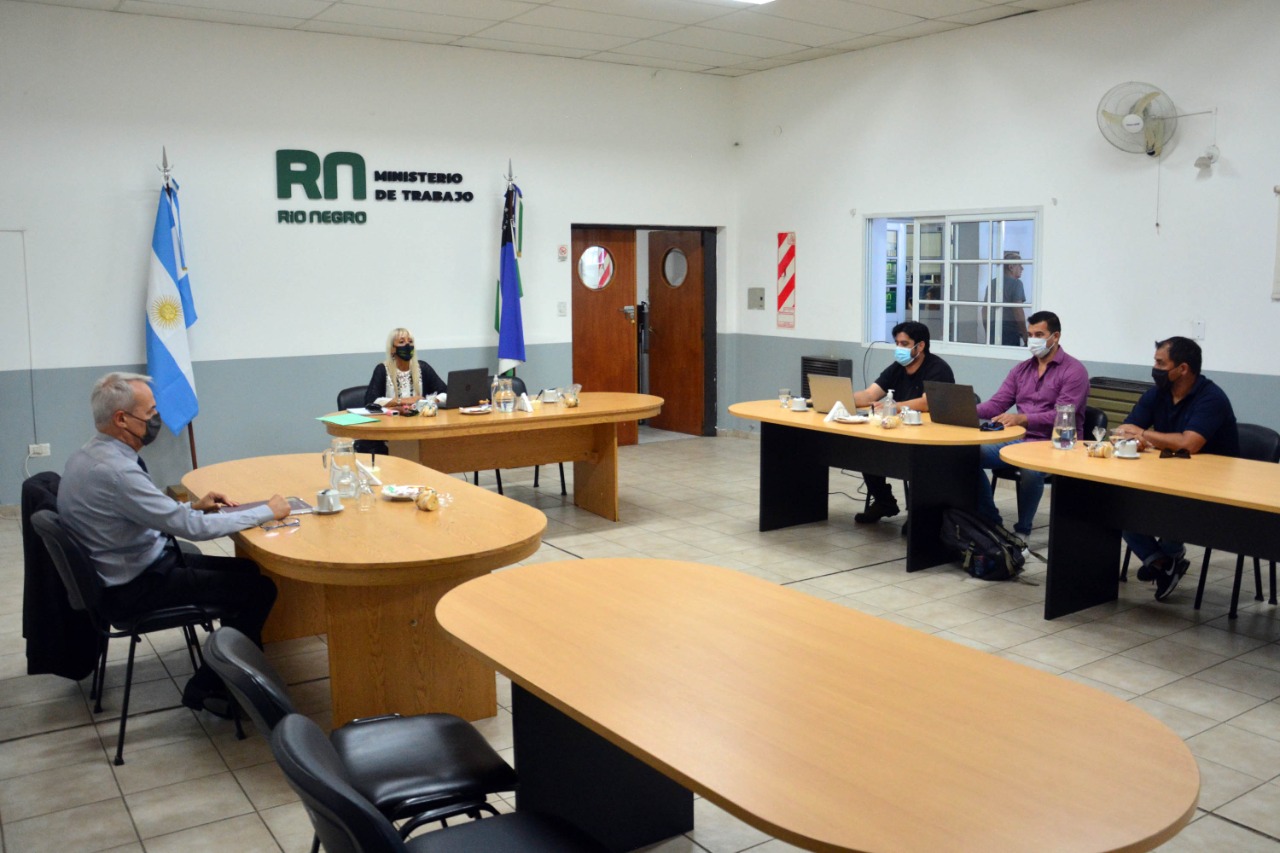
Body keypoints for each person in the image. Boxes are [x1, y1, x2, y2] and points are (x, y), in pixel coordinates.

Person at [58, 372, 290, 716]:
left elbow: (143, 512)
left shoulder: (88, 456)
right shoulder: (118, 472)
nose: (157, 420)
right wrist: (265, 512)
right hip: (134, 586)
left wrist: (192, 504)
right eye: (150, 413)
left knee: (247, 572)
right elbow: (193, 530)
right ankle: (210, 685)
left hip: (129, 568)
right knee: (258, 590)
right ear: (121, 419)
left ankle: (236, 669)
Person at [1113, 337, 1239, 601]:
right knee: (1116, 505)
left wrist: (1144, 435)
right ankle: (1163, 563)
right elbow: (1126, 430)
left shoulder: (1211, 398)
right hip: (1168, 475)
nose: (1155, 368)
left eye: (1161, 363)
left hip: (1212, 487)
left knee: (1171, 508)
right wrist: (1136, 436)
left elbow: (1189, 444)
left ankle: (1164, 558)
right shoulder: (1157, 394)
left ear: (1182, 368)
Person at [974, 311, 1090, 539]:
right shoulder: (1021, 369)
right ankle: (991, 520)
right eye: (1030, 334)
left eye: (1039, 334)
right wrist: (964, 412)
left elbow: (1063, 414)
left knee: (1031, 469)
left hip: (1057, 443)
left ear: (1055, 336)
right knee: (968, 455)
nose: (1033, 340)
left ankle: (1023, 530)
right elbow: (998, 403)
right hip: (1019, 440)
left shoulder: (1074, 371)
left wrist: (1022, 418)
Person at [851, 321, 955, 524]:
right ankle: (884, 502)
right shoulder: (897, 368)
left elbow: (927, 402)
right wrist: (844, 398)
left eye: (905, 343)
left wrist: (895, 406)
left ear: (920, 346)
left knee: (918, 463)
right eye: (897, 343)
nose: (899, 348)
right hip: (897, 430)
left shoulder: (937, 368)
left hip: (927, 436)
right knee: (866, 449)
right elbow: (870, 394)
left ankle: (920, 513)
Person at [364, 327, 447, 408]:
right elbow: (371, 401)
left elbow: (446, 393)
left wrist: (433, 401)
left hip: (419, 419)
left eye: (410, 341)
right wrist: (404, 401)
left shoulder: (422, 368)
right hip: (392, 419)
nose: (407, 345)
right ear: (392, 349)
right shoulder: (382, 369)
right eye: (401, 342)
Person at [983, 251, 1028, 347]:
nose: (1022, 268)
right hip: (1010, 332)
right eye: (1019, 265)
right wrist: (1025, 334)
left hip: (993, 330)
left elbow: (984, 310)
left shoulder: (993, 283)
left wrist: (988, 331)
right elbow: (1017, 309)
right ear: (1011, 267)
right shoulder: (1017, 284)